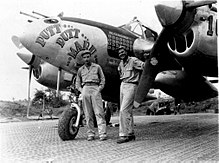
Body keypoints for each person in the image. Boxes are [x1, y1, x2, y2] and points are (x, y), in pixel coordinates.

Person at [75, 50, 107, 141]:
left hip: (95, 88)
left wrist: (99, 88)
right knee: (88, 114)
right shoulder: (81, 70)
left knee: (99, 112)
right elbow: (78, 82)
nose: (86, 59)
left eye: (88, 57)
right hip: (85, 88)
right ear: (82, 59)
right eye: (84, 57)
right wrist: (81, 90)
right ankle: (90, 134)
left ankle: (102, 134)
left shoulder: (97, 67)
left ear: (91, 57)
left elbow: (102, 79)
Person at [117, 46, 145, 144]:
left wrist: (149, 59)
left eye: (123, 51)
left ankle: (123, 135)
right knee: (127, 111)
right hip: (123, 85)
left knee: (123, 110)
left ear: (127, 52)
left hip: (131, 85)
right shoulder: (121, 63)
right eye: (120, 52)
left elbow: (144, 66)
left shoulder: (133, 61)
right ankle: (130, 133)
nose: (121, 53)